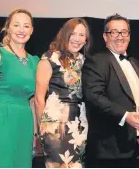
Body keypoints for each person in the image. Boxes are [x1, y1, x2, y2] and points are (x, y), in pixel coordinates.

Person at [82, 13, 139, 168]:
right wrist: (125, 116)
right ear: (105, 37)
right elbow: (94, 96)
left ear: (129, 36)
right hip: (108, 150)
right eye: (114, 32)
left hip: (133, 146)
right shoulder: (97, 61)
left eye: (124, 32)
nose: (119, 36)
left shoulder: (135, 62)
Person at [0, 9, 39, 167]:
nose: (21, 30)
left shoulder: (34, 61)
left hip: (24, 122)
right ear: (8, 28)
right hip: (0, 120)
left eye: (26, 26)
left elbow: (32, 101)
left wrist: (34, 134)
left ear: (32, 30)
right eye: (16, 25)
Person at [34, 18, 91, 168]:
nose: (77, 39)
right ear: (65, 34)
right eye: (73, 34)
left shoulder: (84, 61)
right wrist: (42, 130)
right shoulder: (49, 58)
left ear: (86, 40)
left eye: (82, 35)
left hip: (80, 122)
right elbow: (39, 98)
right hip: (55, 124)